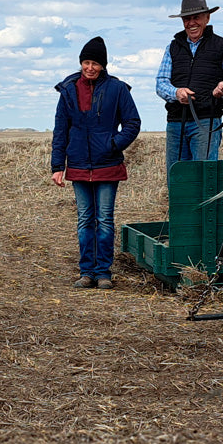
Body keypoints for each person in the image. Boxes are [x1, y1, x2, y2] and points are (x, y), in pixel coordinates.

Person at [51, 36, 140, 289]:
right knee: (84, 219)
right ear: (81, 63)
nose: (90, 67)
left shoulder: (117, 89)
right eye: (86, 62)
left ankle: (103, 273)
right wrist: (58, 166)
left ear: (103, 65)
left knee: (104, 219)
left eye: (95, 63)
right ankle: (86, 272)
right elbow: (61, 130)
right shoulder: (68, 90)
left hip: (107, 165)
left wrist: (113, 144)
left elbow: (133, 123)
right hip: (78, 165)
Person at [156, 0, 223, 171]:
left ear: (207, 18)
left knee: (204, 176)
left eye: (196, 17)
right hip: (175, 123)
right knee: (176, 178)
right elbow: (161, 82)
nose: (191, 23)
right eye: (186, 19)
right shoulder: (172, 47)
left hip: (206, 123)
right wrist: (176, 93)